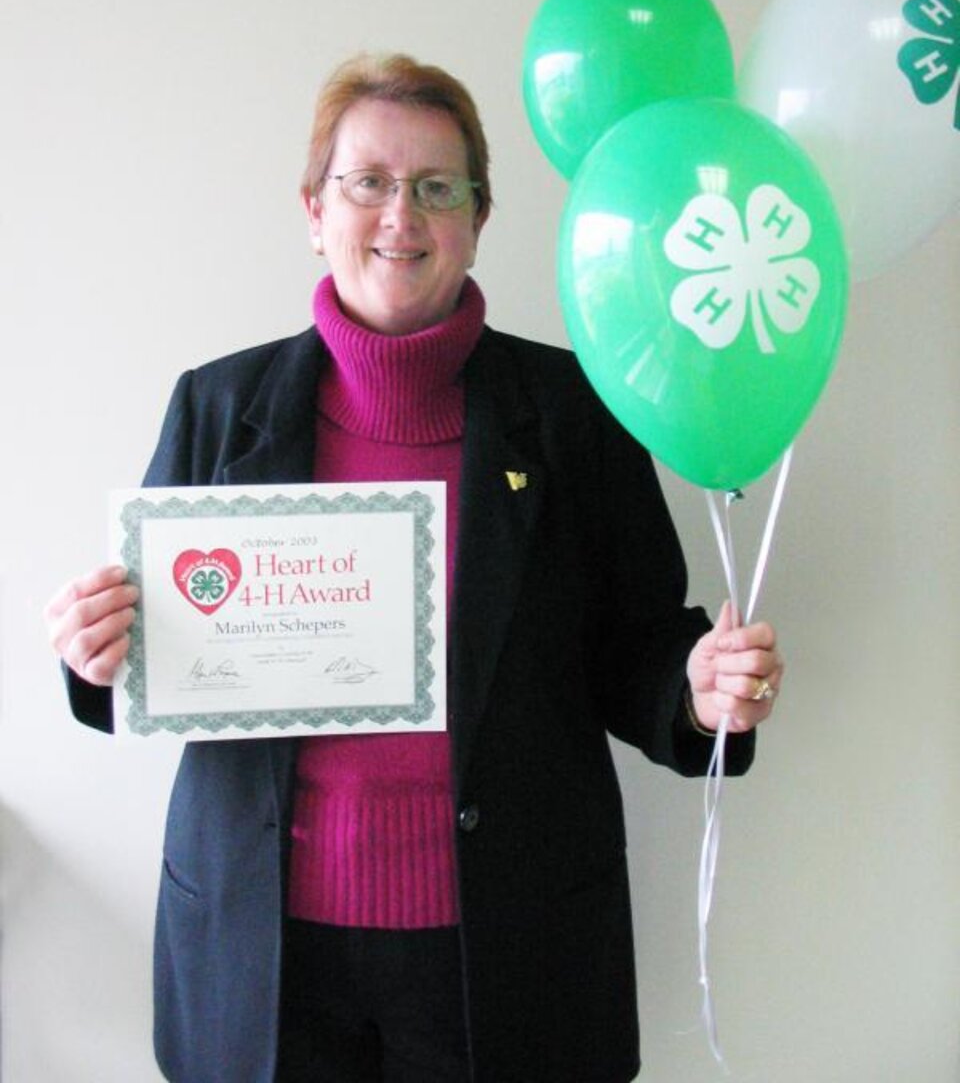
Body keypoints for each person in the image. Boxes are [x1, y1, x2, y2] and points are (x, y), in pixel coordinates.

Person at [45, 52, 783, 1083]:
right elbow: (152, 666)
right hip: (268, 951)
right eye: (370, 182)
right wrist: (94, 653)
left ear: (479, 218)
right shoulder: (218, 407)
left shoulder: (576, 413)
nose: (404, 213)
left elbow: (639, 646)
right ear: (315, 210)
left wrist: (698, 693)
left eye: (439, 186)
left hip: (500, 951)